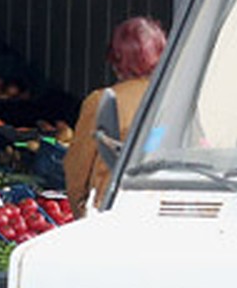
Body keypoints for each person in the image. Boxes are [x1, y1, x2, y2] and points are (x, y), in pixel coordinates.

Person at [65, 15, 167, 219]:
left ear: (117, 57)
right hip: (162, 211)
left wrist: (82, 217)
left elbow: (77, 173)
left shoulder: (101, 101)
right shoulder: (176, 100)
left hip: (112, 213)